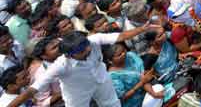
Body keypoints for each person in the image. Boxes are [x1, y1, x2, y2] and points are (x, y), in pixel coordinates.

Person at [6, 24, 163, 107]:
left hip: (101, 80)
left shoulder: (94, 40)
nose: (87, 49)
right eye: (81, 50)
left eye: (86, 44)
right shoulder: (60, 65)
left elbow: (121, 36)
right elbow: (31, 91)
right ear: (68, 54)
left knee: (113, 105)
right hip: (77, 93)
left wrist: (142, 29)